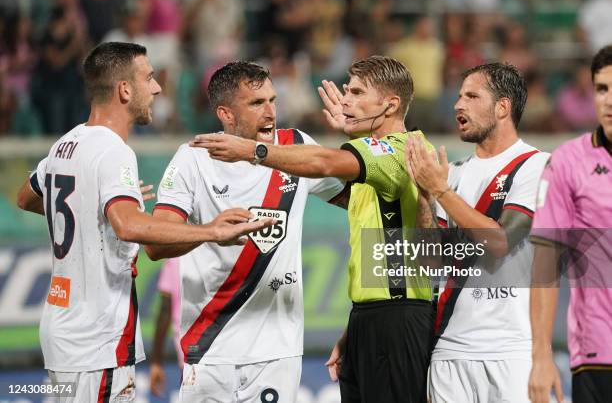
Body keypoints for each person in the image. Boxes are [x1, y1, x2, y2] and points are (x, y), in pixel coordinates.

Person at [15, 42, 272, 402]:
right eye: (148, 78)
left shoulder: (66, 144)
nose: (157, 88)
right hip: (97, 340)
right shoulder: (114, 151)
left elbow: (25, 197)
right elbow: (128, 225)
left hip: (62, 330)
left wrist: (97, 204)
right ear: (124, 90)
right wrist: (211, 230)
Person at [190, 55, 435, 403]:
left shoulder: (399, 151)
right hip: (373, 318)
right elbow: (385, 242)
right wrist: (357, 327)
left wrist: (253, 150)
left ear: (390, 105)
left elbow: (321, 162)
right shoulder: (370, 164)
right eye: (346, 91)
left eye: (357, 92)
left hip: (399, 320)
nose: (345, 100)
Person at [143, 61, 346, 403]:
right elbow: (155, 245)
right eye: (256, 103)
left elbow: (358, 200)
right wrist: (209, 232)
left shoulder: (294, 147)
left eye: (272, 99)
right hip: (208, 348)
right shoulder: (194, 158)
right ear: (225, 114)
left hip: (276, 352)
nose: (270, 112)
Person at [406, 62, 549, 403]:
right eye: (458, 96)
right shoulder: (451, 173)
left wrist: (440, 192)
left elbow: (500, 242)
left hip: (511, 350)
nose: (458, 105)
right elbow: (429, 264)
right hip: (448, 349)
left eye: (472, 96)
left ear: (503, 107)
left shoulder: (537, 165)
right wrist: (425, 196)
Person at [528, 45, 612, 403]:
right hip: (599, 352)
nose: (608, 100)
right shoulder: (568, 162)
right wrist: (541, 356)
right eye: (602, 89)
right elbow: (545, 265)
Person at [149, 257, 182, 398]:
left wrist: (156, 362)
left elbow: (165, 310)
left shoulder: (176, 256)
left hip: (192, 356)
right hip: (229, 351)